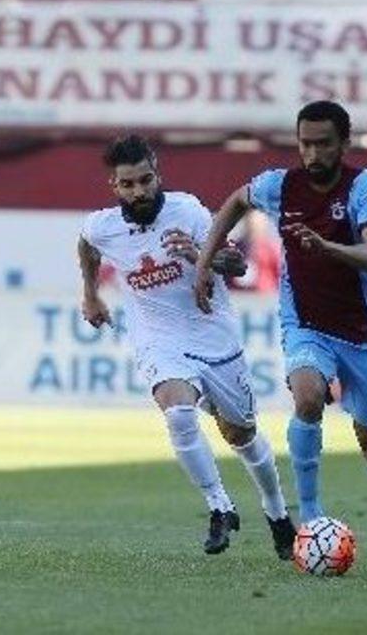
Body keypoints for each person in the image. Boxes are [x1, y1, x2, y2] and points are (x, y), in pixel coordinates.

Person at [193, 100, 367, 576]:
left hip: (361, 333)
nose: (313, 154)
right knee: (308, 395)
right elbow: (236, 201)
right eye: (305, 144)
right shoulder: (281, 185)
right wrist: (204, 260)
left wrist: (326, 247)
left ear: (345, 143)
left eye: (323, 144)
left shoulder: (364, 187)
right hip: (305, 325)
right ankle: (311, 519)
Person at [78, 134, 297, 559]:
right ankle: (219, 506)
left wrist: (200, 255)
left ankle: (276, 512)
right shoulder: (104, 226)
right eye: (128, 184)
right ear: (114, 186)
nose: (139, 192)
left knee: (242, 434)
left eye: (145, 180)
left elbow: (237, 264)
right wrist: (90, 294)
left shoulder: (188, 211)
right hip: (159, 340)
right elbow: (87, 245)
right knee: (178, 412)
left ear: (157, 176)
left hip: (213, 337)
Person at [229, 210, 281, 293]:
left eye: (259, 225)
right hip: (238, 295)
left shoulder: (272, 248)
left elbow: (280, 275)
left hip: (265, 294)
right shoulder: (237, 247)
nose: (256, 228)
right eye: (252, 224)